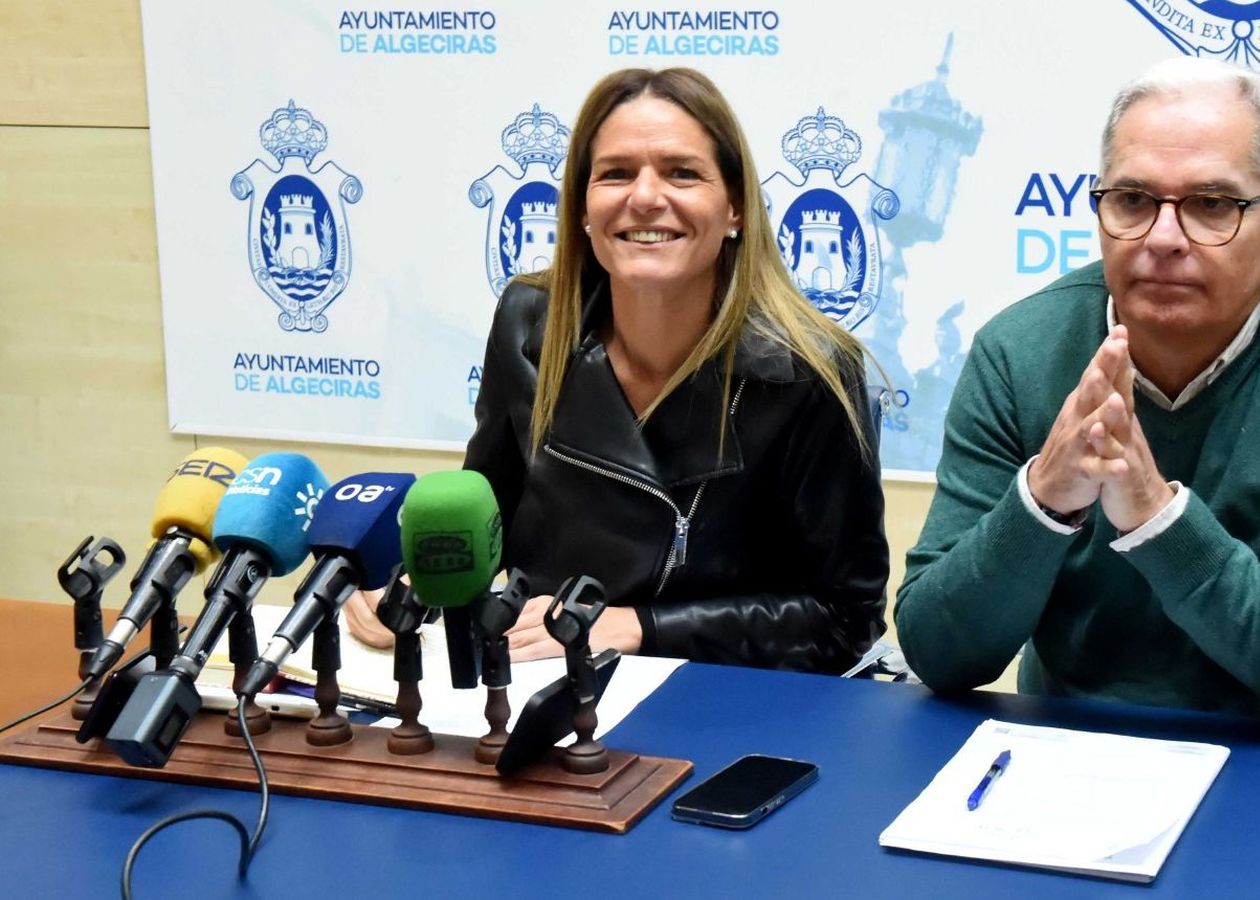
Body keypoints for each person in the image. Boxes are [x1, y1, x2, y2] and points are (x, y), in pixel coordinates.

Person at [894, 56, 1260, 737]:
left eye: (1212, 206)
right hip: (1074, 749)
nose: (1163, 238)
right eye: (1133, 201)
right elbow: (939, 653)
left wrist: (1156, 518)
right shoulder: (1017, 352)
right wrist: (1043, 502)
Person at [347, 68, 888, 673]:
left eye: (682, 172)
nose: (646, 196)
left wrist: (636, 627)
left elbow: (846, 618)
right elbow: (483, 515)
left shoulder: (813, 368)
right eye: (616, 173)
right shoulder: (529, 319)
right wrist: (408, 585)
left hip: (718, 699)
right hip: (536, 684)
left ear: (735, 206)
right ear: (582, 207)